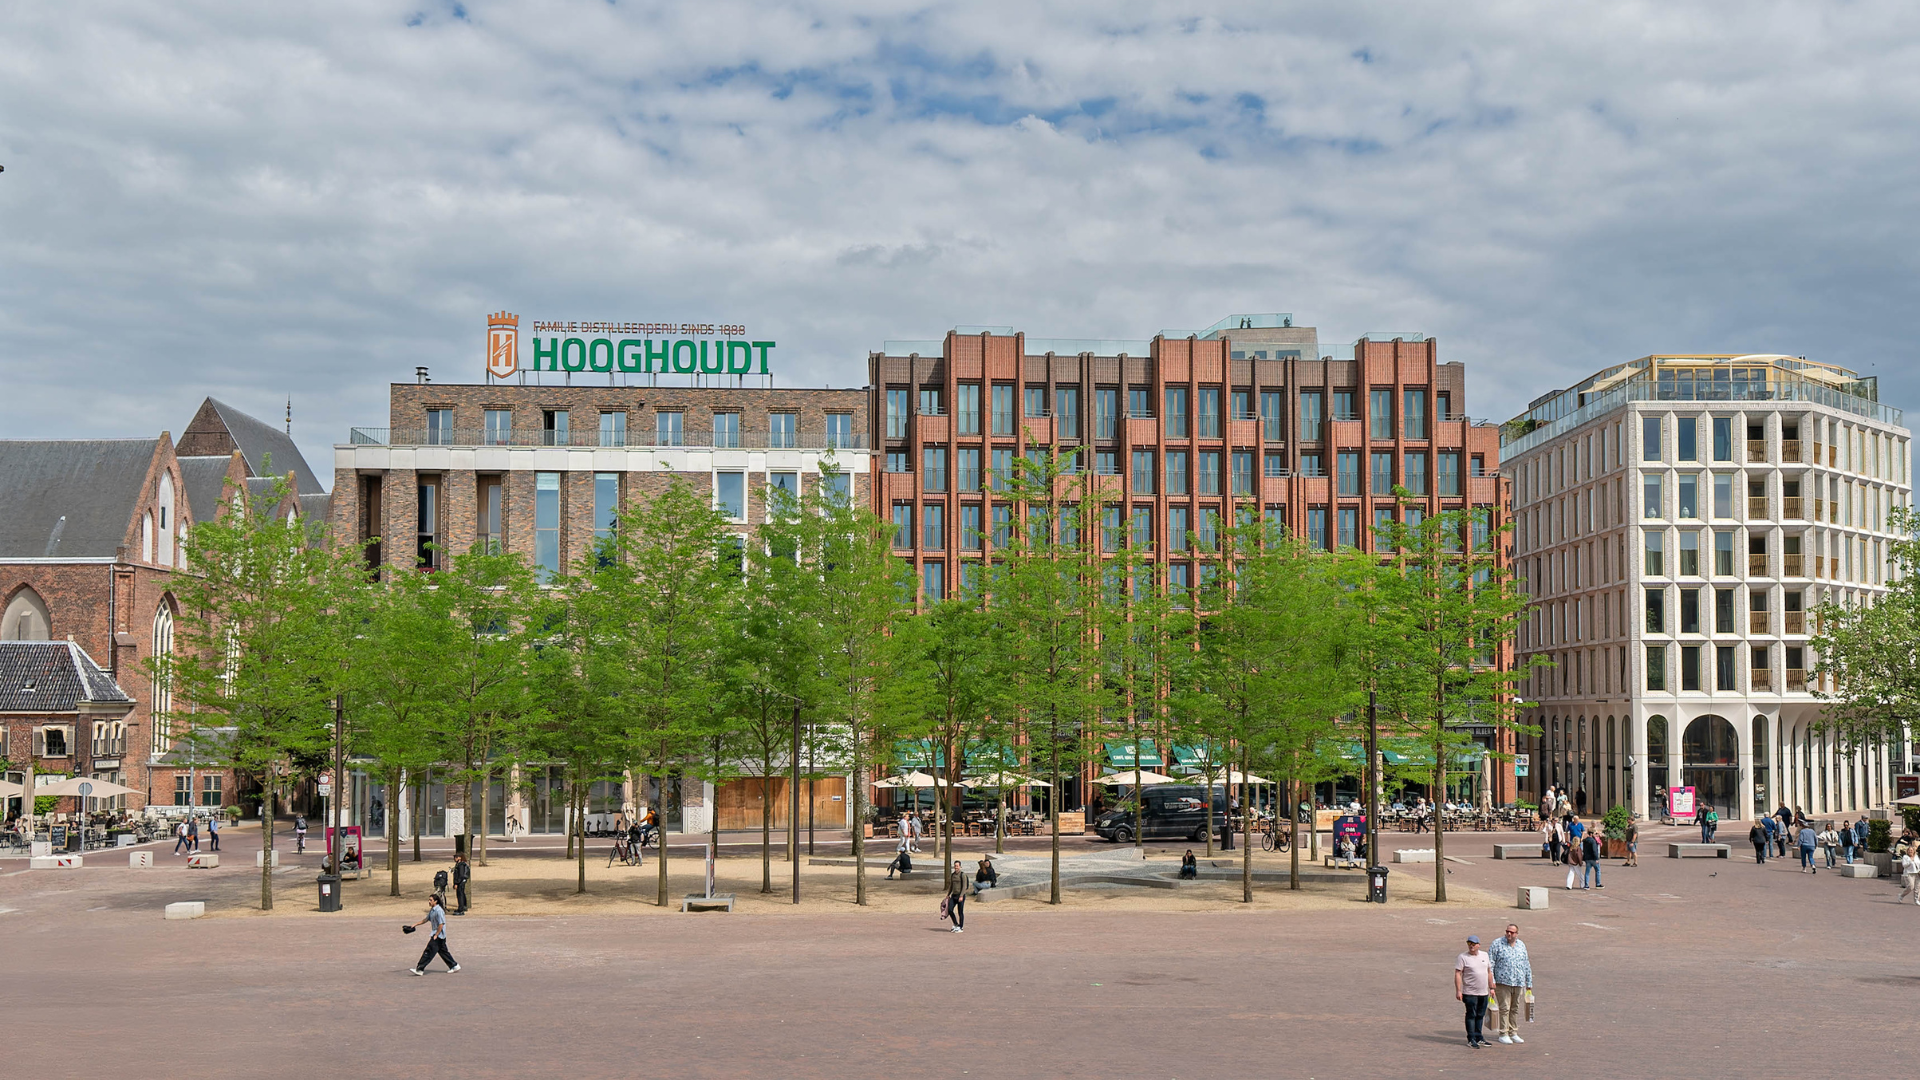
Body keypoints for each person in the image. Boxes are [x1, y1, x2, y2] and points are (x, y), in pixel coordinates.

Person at [1487, 923, 1533, 1045]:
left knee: (1515, 1008)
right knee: (1504, 1008)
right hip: (1502, 982)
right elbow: (1490, 964)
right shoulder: (1497, 944)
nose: (1509, 934)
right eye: (1507, 931)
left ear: (1516, 934)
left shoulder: (1521, 945)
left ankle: (1513, 1032)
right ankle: (1503, 1033)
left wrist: (1529, 981)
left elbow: (1526, 963)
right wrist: (1492, 983)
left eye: (1512, 932)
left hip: (1518, 982)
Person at [1454, 934, 1493, 1048]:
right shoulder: (1463, 957)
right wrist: (1458, 990)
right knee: (1471, 1014)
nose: (1471, 946)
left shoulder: (1485, 955)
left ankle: (1478, 1036)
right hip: (1470, 992)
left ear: (1478, 945)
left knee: (1480, 1015)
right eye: (1469, 943)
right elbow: (1458, 973)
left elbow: (1489, 971)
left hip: (1483, 992)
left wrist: (1492, 988)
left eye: (1473, 944)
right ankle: (1471, 1038)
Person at [408, 895, 460, 975]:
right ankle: (454, 965)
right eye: (429, 900)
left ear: (435, 901)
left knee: (428, 951)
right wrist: (415, 925)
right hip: (438, 936)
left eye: (431, 900)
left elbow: (441, 924)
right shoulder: (432, 910)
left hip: (438, 936)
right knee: (443, 952)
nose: (429, 902)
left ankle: (420, 969)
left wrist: (436, 934)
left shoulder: (439, 911)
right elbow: (425, 920)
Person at [945, 860, 967, 933]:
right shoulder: (953, 875)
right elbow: (951, 886)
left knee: (960, 912)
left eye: (957, 866)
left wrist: (961, 896)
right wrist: (948, 895)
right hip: (953, 895)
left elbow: (964, 886)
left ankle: (961, 926)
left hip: (960, 896)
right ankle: (956, 924)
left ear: (960, 866)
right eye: (955, 866)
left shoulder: (963, 875)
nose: (956, 867)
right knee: (950, 909)